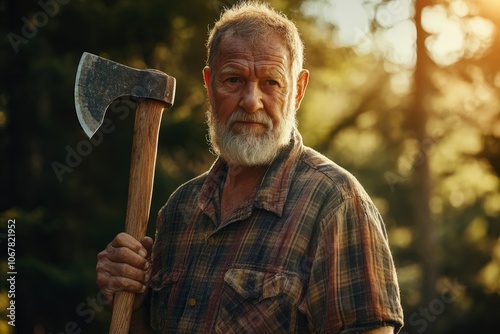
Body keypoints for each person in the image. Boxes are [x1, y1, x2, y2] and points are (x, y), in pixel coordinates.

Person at [96, 2, 404, 333]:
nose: (251, 101)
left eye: (271, 82)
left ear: (297, 90)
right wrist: (133, 301)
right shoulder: (179, 211)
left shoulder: (336, 203)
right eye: (233, 79)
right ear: (209, 84)